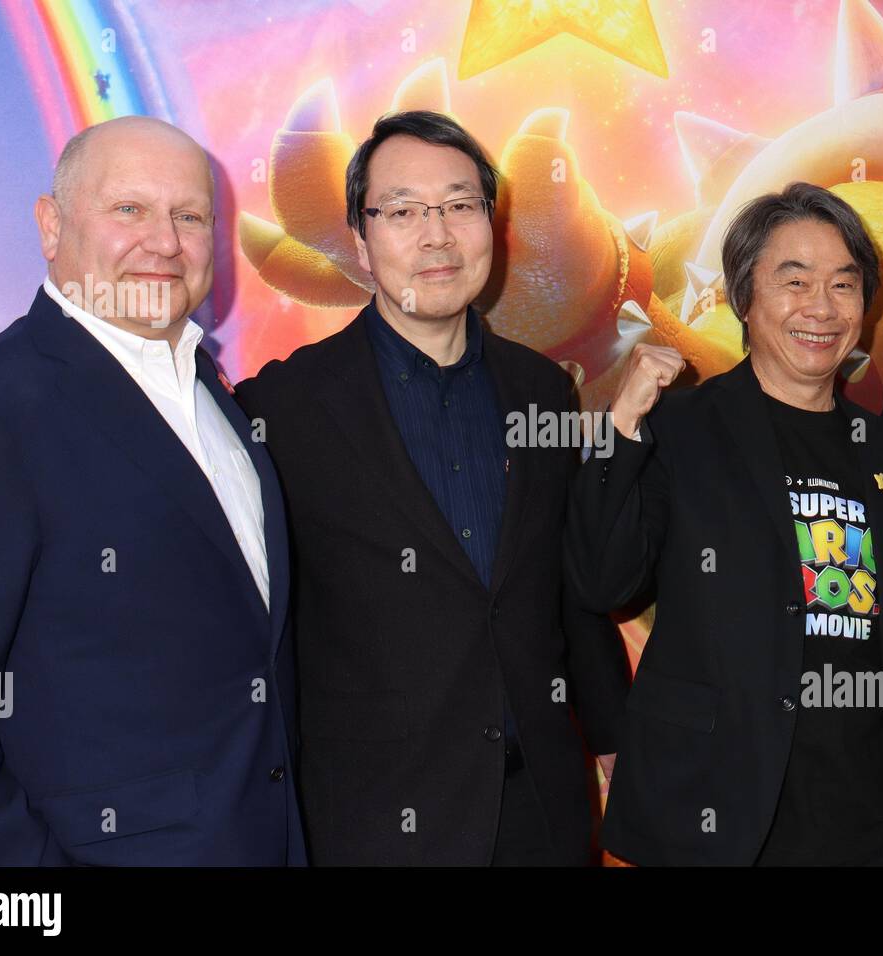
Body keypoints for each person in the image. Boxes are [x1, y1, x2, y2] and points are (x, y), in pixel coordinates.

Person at [236, 111, 628, 866]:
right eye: (404, 210)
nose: (437, 236)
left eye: (459, 205)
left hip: (540, 817)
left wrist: (613, 741)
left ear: (493, 222)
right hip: (375, 824)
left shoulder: (543, 390)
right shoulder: (280, 411)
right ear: (361, 239)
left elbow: (566, 591)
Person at [0, 116, 304, 865]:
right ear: (51, 225)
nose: (164, 242)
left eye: (189, 216)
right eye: (129, 209)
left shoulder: (215, 397)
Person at [565, 182, 883, 866]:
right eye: (795, 281)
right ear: (742, 297)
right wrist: (622, 427)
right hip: (707, 813)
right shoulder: (682, 428)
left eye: (844, 285)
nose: (821, 307)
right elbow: (601, 579)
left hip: (866, 815)